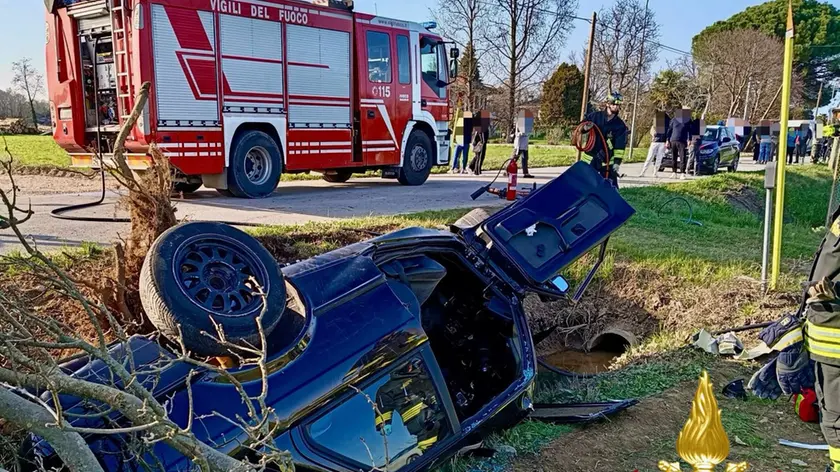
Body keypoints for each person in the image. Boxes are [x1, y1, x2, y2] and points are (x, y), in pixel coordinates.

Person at [580, 91, 627, 188]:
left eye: (618, 105)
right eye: (613, 104)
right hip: (590, 158)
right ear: (607, 104)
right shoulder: (595, 117)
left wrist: (617, 163)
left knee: (610, 187)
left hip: (607, 161)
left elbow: (620, 147)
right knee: (584, 185)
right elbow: (580, 129)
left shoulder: (620, 125)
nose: (616, 107)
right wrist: (585, 128)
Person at [639, 112, 669, 178]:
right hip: (659, 142)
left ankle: (647, 172)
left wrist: (653, 136)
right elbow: (653, 131)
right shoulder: (665, 123)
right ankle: (647, 172)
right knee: (655, 158)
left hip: (657, 141)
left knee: (653, 157)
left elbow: (652, 131)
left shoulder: (658, 123)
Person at [666, 108, 691, 180]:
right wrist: (667, 140)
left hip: (682, 141)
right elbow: (669, 130)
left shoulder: (688, 120)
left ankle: (682, 173)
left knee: (682, 157)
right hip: (673, 140)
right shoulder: (674, 120)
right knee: (674, 157)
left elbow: (690, 131)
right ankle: (674, 172)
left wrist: (689, 139)